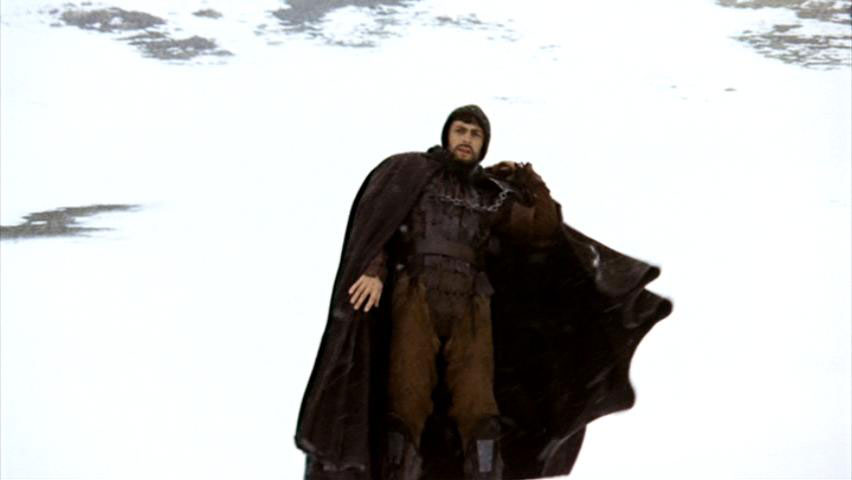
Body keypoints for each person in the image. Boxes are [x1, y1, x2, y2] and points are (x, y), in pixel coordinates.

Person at [295, 105, 673, 480]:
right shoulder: (414, 172)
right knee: (407, 399)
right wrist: (374, 269)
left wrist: (528, 179)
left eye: (475, 134)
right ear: (447, 134)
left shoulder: (489, 195)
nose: (467, 139)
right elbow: (383, 221)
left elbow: (542, 228)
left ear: (484, 145)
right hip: (415, 294)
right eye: (460, 130)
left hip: (472, 304)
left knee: (478, 406)